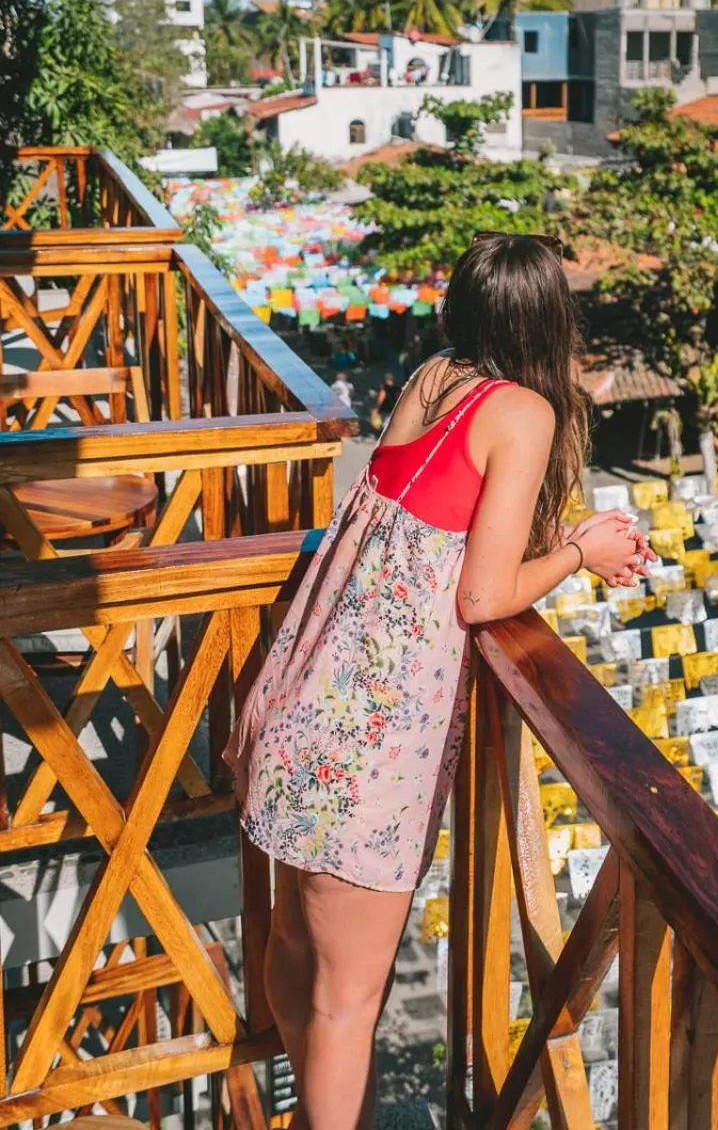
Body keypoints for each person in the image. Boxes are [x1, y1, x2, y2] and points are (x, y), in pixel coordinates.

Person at [224, 233, 650, 1130]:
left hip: (306, 702)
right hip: (368, 748)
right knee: (347, 1005)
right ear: (549, 320)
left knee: (297, 954)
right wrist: (581, 552)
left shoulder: (432, 377)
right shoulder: (522, 412)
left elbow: (421, 528)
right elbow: (480, 595)